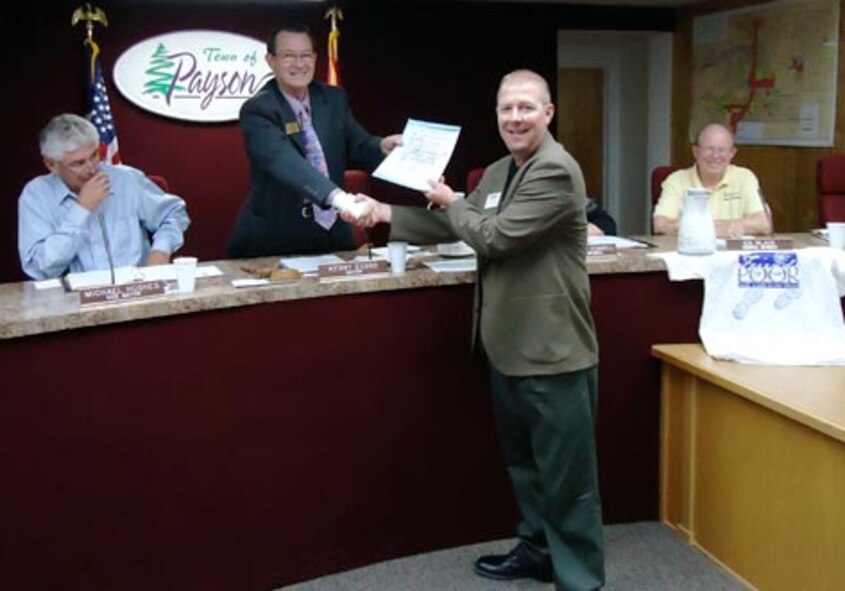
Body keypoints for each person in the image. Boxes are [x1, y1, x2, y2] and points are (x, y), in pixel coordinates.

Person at [352, 70, 604, 590]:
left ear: (548, 113)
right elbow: (454, 224)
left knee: (567, 481)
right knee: (527, 469)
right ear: (496, 114)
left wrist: (450, 201)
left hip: (553, 352)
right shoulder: (499, 171)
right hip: (507, 347)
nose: (515, 118)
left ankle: (579, 580)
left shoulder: (555, 170)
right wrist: (385, 213)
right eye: (507, 108)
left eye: (527, 108)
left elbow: (494, 237)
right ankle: (537, 552)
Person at [226, 24, 402, 258]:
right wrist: (341, 199)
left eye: (305, 55)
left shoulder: (333, 98)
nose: (299, 64)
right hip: (275, 239)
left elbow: (359, 146)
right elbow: (284, 162)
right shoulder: (258, 109)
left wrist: (382, 147)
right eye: (289, 56)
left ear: (316, 58)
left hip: (333, 235)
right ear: (271, 60)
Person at [18, 113, 190, 280]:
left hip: (136, 289)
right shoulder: (36, 195)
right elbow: (38, 269)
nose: (92, 168)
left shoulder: (125, 180)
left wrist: (160, 251)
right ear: (51, 164)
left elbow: (173, 213)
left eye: (94, 155)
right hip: (73, 301)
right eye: (78, 163)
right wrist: (81, 210)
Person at [652, 122, 771, 237]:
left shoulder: (745, 177)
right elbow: (660, 224)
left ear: (732, 153)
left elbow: (764, 224)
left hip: (731, 253)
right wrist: (710, 227)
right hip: (689, 252)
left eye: (722, 150)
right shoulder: (676, 180)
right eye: (709, 149)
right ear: (696, 151)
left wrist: (728, 226)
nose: (715, 156)